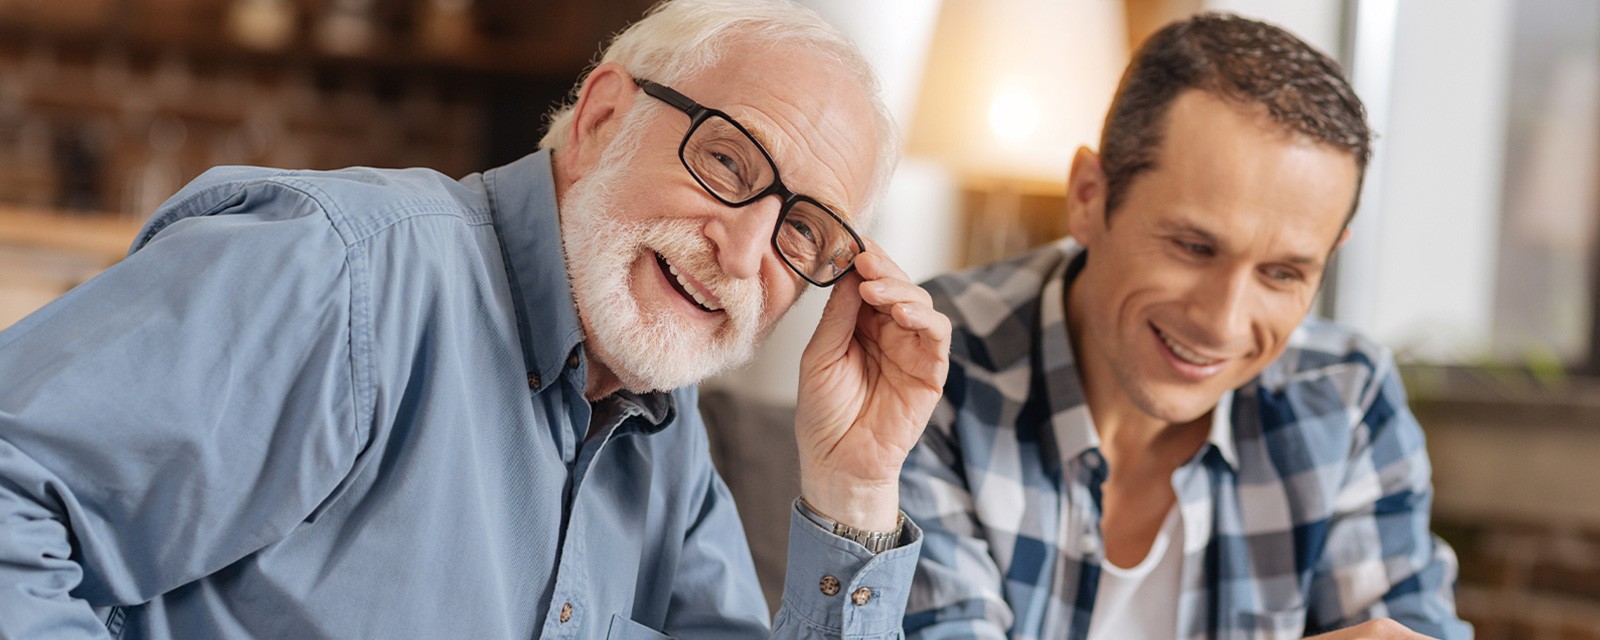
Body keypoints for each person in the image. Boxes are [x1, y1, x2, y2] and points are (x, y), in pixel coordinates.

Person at [0, 0, 952, 637]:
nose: (743, 254)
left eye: (802, 232)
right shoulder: (344, 272)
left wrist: (854, 493)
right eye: (730, 166)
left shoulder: (661, 431)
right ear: (603, 119)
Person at [899, 13, 1471, 640]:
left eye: (1282, 274)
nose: (1223, 324)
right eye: (1194, 247)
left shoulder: (1346, 395)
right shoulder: (933, 361)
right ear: (1089, 196)